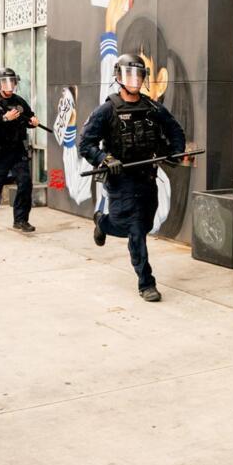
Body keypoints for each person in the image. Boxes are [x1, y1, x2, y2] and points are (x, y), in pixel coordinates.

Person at [78, 54, 187, 303]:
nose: (134, 80)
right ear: (118, 78)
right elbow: (86, 144)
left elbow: (175, 130)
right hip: (121, 179)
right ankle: (146, 282)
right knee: (136, 229)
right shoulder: (107, 110)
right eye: (128, 75)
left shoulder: (152, 108)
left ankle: (102, 223)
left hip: (147, 176)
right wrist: (104, 159)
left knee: (142, 226)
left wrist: (174, 153)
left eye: (138, 75)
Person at [0, 68, 38, 233]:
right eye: (5, 82)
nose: (9, 86)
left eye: (12, 82)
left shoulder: (19, 101)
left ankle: (21, 219)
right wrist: (3, 118)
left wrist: (33, 121)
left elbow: (28, 117)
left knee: (25, 182)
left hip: (17, 149)